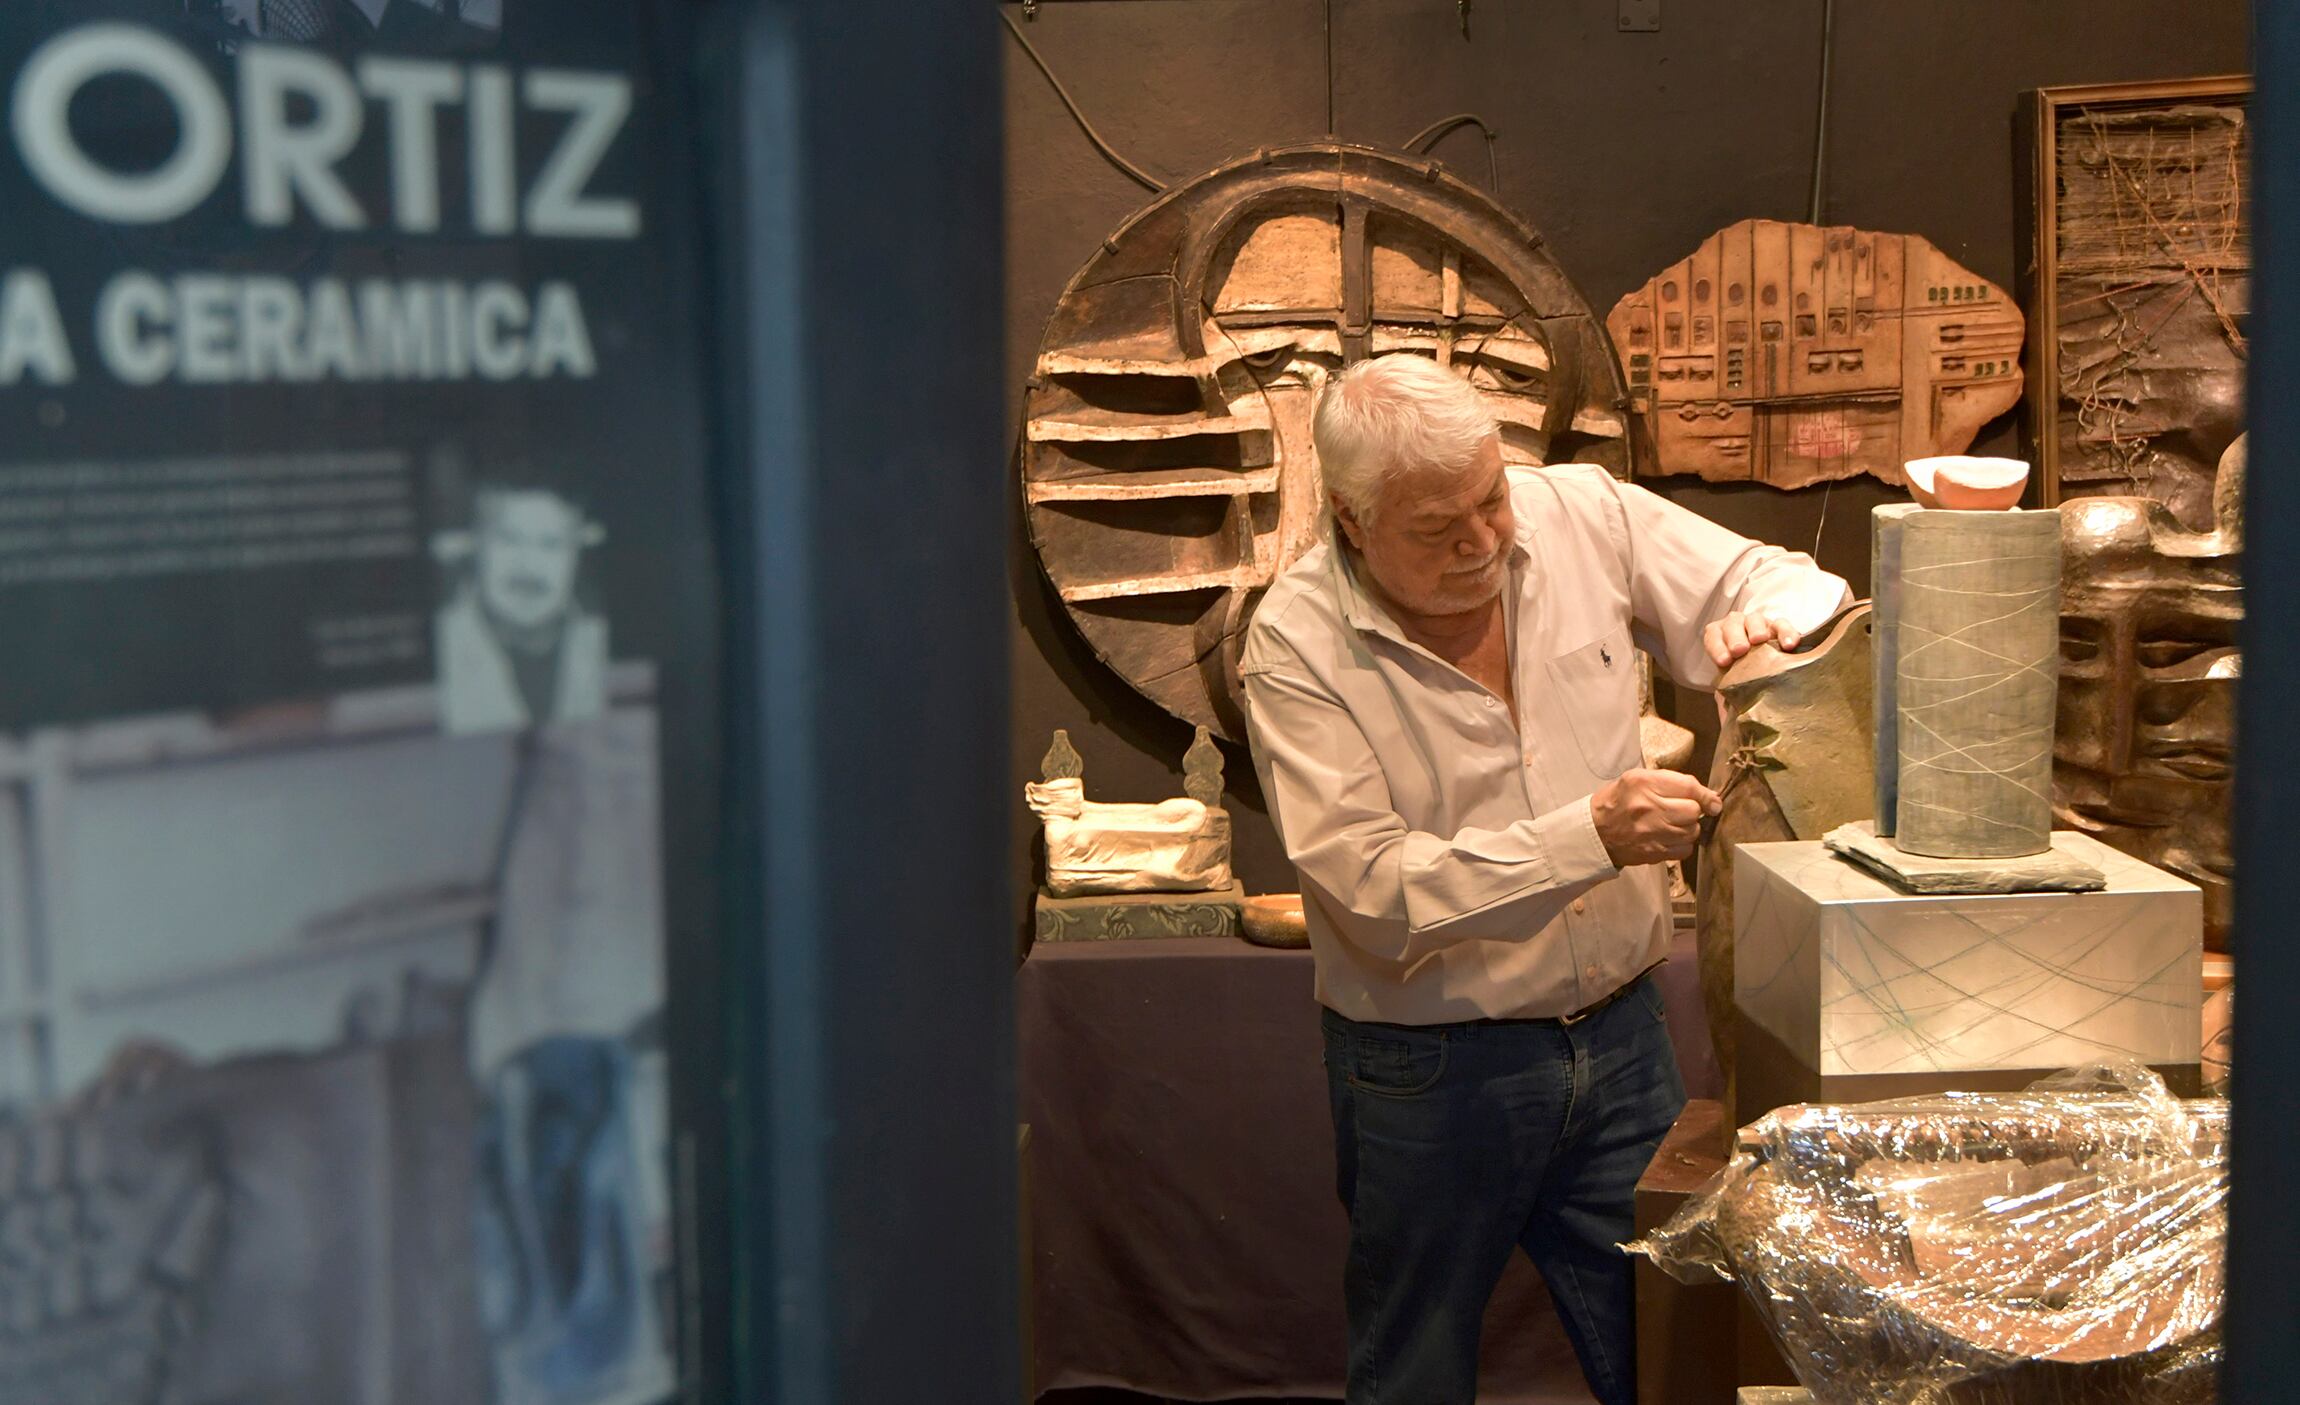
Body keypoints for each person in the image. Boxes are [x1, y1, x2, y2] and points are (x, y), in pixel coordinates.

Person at [1239, 354, 1850, 1405]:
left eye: (1489, 498)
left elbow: (1784, 579)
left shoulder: (1578, 512)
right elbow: (1374, 896)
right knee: (1412, 1371)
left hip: (1623, 1043)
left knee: (1672, 1354)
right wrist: (1590, 836)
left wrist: (1767, 623)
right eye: (1435, 528)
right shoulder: (1294, 645)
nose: (1480, 541)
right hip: (1425, 1070)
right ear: (1347, 515)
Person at [437, 483, 608, 735]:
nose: (528, 566)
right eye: (509, 539)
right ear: (476, 545)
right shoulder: (441, 646)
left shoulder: (602, 645)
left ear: (577, 553)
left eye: (551, 544)